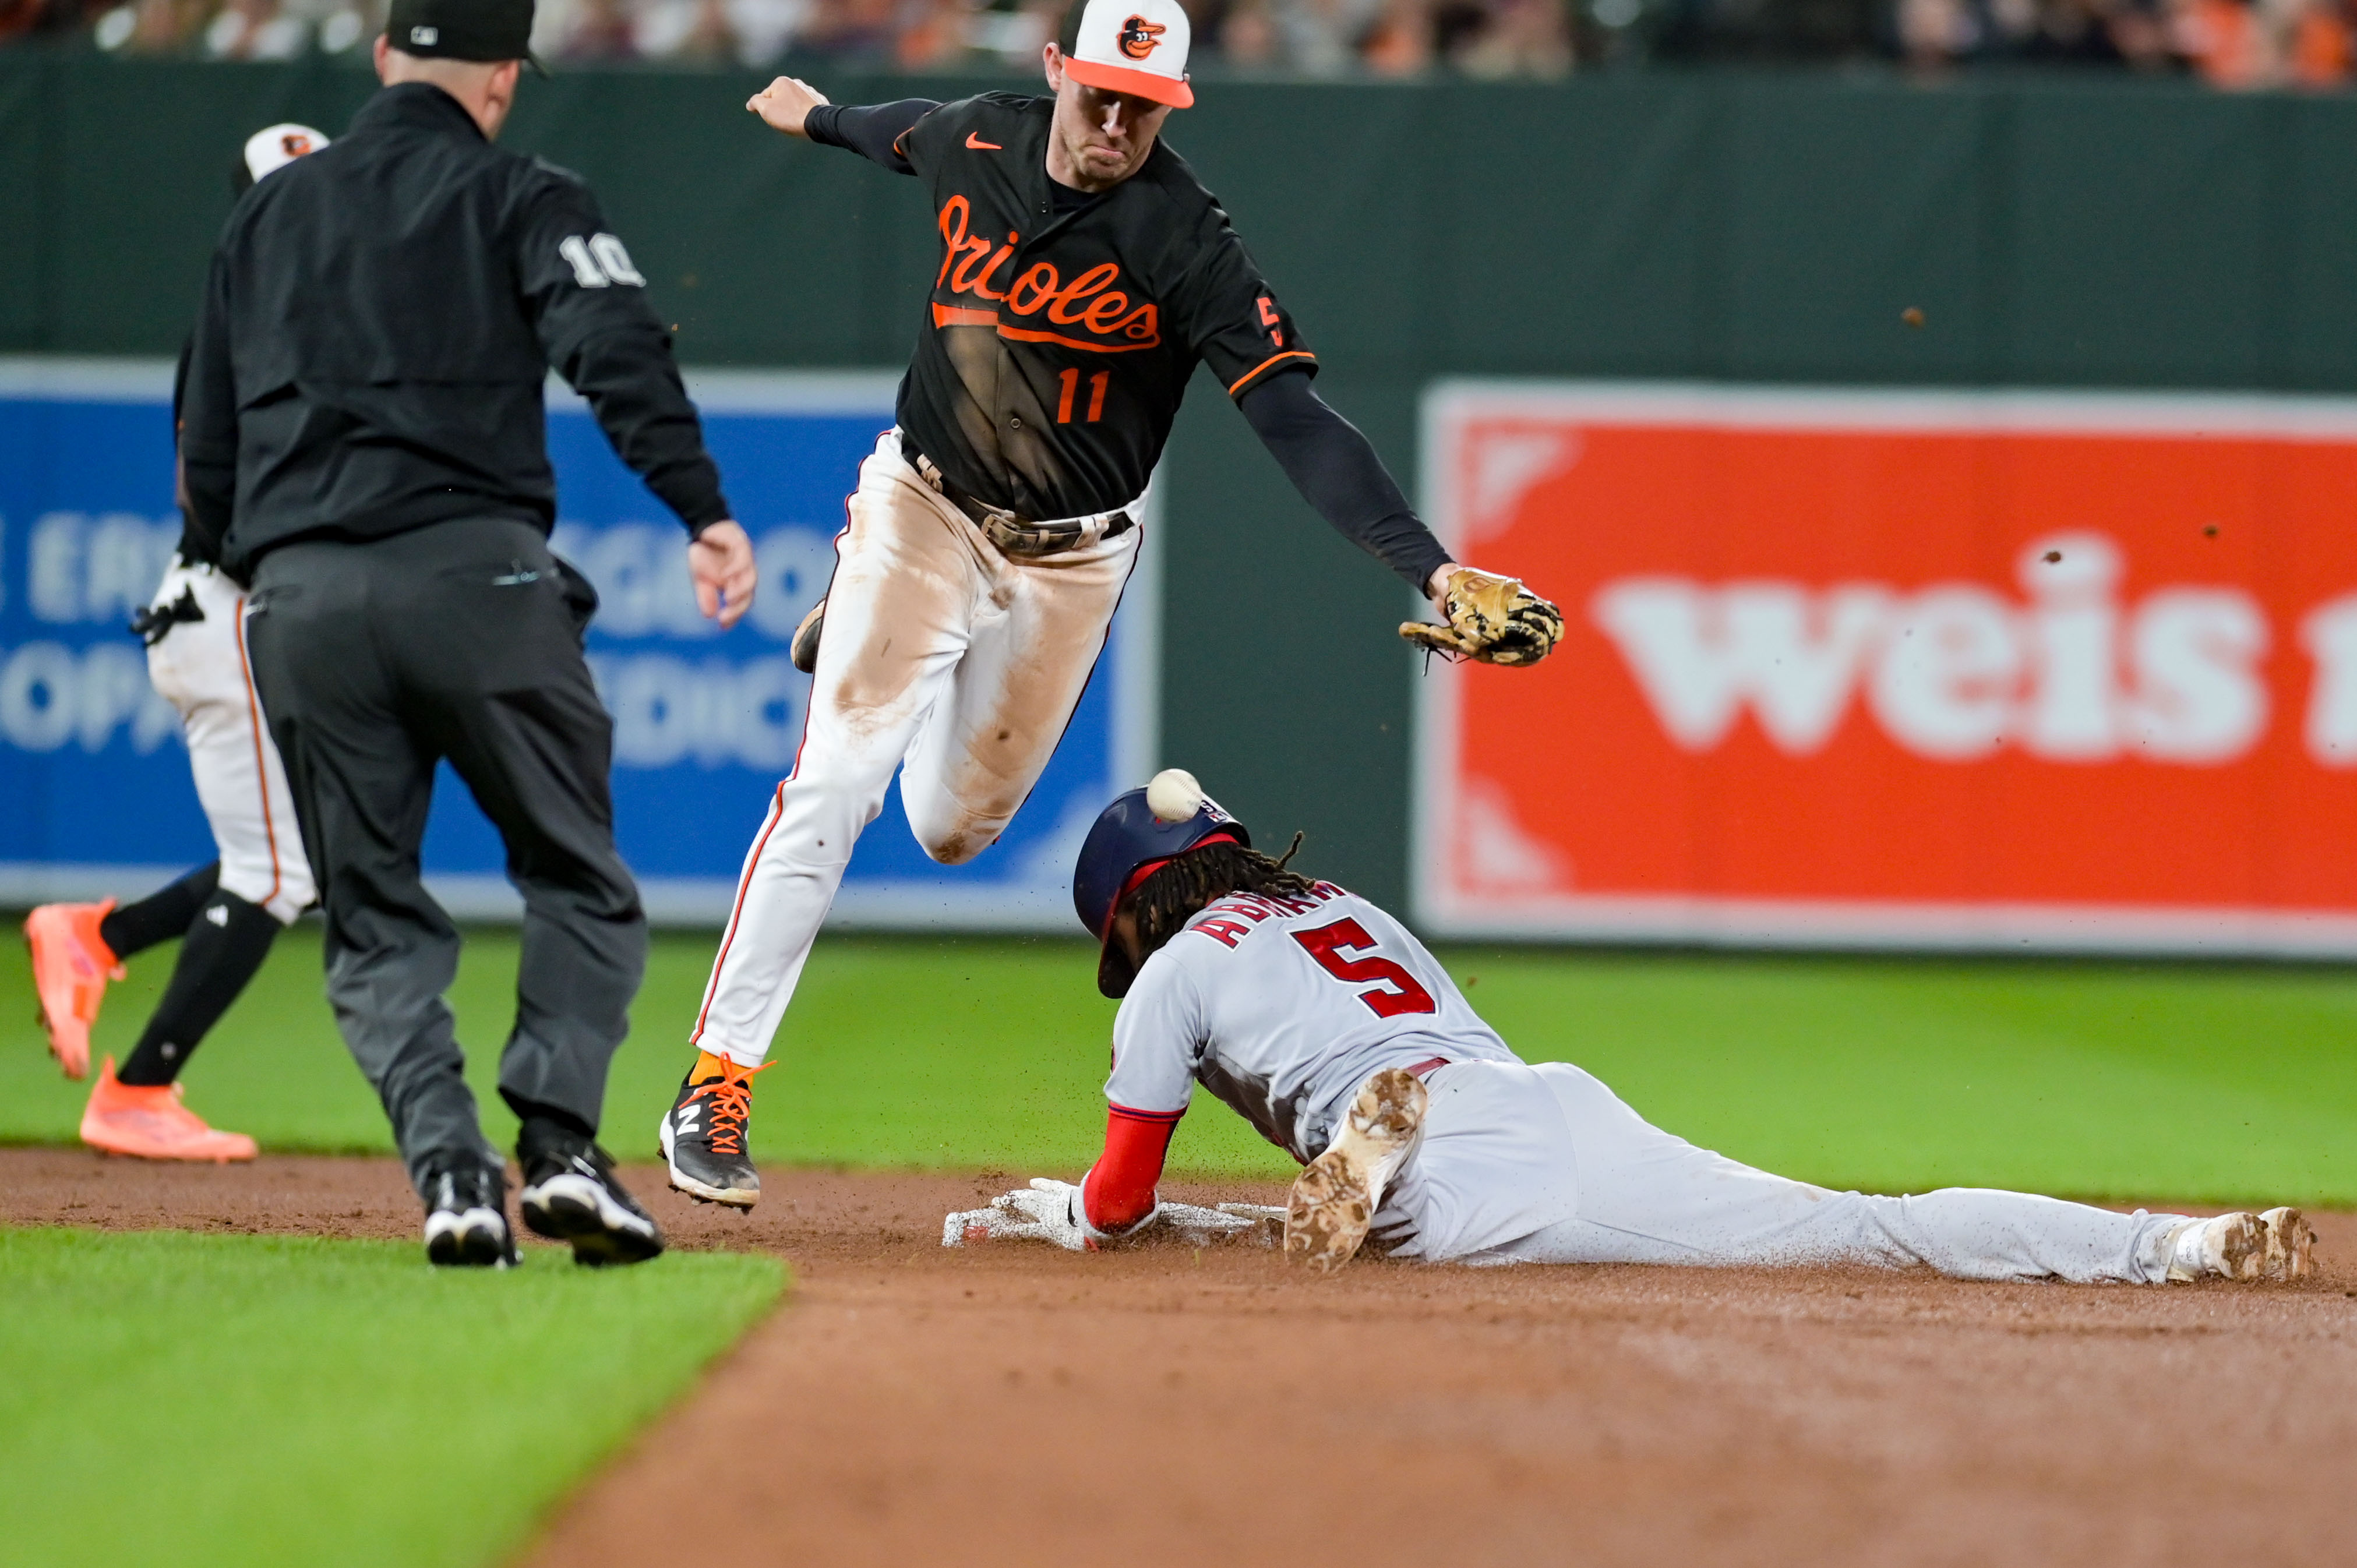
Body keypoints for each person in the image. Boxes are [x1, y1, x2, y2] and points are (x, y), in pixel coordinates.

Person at [660, 0, 1562, 1210]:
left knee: (949, 830)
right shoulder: (980, 136)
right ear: (1055, 74)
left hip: (1070, 559)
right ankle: (718, 1077)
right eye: (1099, 95)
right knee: (835, 778)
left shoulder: (1182, 237)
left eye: (1145, 106)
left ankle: (870, 642)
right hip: (926, 504)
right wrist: (816, 114)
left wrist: (1430, 565)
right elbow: (897, 128)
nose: (1117, 122)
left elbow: (1291, 417)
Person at [178, 0, 759, 1267]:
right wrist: (700, 509)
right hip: (477, 583)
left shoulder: (266, 211)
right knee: (577, 873)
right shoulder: (525, 191)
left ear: (385, 56)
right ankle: (556, 1147)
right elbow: (614, 348)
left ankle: (448, 1171)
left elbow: (206, 438)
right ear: (502, 79)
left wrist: (247, 567)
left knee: (373, 912)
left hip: (302, 602)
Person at [948, 770, 2318, 1287]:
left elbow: (1119, 1198)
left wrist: (1094, 1211)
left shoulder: (1181, 966)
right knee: (1868, 1226)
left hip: (1443, 1158)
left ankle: (1355, 1176)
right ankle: (2173, 1244)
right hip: (1539, 1097)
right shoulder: (1336, 901)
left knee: (1345, 1228)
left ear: (1123, 919)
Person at [22, 124, 333, 1165]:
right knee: (281, 874)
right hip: (231, 609)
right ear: (252, 210)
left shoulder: (297, 313)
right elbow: (210, 487)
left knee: (297, 861)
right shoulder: (252, 313)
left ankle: (94, 938)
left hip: (239, 611)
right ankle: (137, 1090)